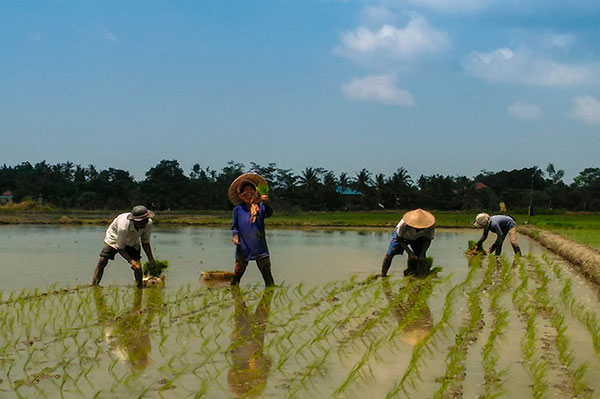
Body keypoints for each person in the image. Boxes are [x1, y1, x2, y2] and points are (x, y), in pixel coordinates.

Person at [92, 205, 157, 288]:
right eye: (143, 220)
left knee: (138, 266)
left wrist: (151, 259)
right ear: (135, 221)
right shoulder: (123, 227)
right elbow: (120, 247)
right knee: (103, 260)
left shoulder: (148, 224)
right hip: (114, 238)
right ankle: (94, 285)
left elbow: (145, 242)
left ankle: (139, 288)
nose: (146, 222)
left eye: (147, 219)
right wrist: (130, 261)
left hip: (132, 240)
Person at [229, 173, 275, 287]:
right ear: (240, 194)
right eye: (245, 191)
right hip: (243, 248)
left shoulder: (260, 207)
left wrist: (266, 202)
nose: (248, 193)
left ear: (256, 192)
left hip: (259, 247)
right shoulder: (238, 210)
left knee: (267, 276)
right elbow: (235, 227)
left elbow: (268, 213)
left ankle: (268, 298)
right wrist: (235, 236)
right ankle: (235, 298)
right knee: (236, 277)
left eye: (251, 190)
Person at [381, 209, 435, 277]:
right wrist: (409, 252)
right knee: (390, 254)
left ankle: (419, 274)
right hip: (402, 237)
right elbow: (399, 239)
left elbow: (428, 240)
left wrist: (422, 253)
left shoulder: (430, 226)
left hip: (419, 238)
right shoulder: (404, 225)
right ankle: (383, 275)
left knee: (421, 256)